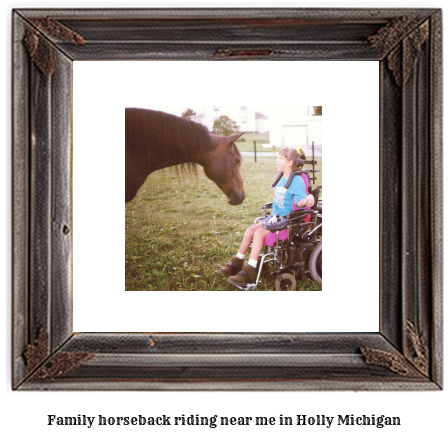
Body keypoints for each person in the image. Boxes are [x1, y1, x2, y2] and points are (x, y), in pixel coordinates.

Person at [218, 147, 315, 287]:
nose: (277, 160)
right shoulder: (282, 178)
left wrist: (307, 198)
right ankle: (237, 262)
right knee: (251, 230)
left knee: (258, 233)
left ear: (290, 162)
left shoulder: (297, 181)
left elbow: (300, 203)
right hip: (276, 218)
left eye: (280, 158)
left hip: (288, 222)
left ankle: (250, 270)